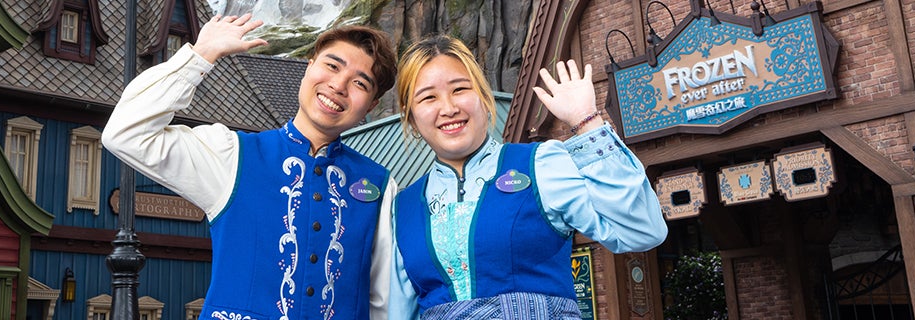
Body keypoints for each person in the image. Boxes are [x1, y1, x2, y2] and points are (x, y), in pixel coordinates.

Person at [102, 14, 401, 320]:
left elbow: (384, 303)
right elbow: (126, 133)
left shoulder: (380, 186)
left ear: (372, 105)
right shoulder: (230, 155)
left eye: (360, 83)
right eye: (332, 66)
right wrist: (200, 55)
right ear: (309, 66)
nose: (339, 85)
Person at [386, 35, 667, 319]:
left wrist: (586, 121)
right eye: (428, 97)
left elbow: (642, 231)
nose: (448, 108)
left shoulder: (540, 164)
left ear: (484, 97)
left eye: (459, 89)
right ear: (411, 117)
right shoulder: (401, 208)